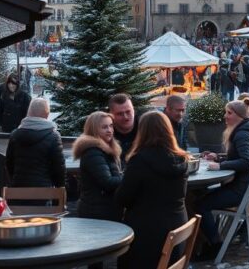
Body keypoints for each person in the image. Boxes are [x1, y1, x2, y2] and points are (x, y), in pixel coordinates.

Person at [115, 111, 189, 268]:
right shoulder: (182, 159)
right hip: (178, 227)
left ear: (142, 131)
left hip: (147, 236)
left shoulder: (139, 160)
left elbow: (123, 198)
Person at [195, 100, 249, 261]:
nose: (225, 116)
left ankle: (215, 246)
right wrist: (219, 157)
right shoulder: (247, 130)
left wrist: (219, 166)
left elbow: (245, 161)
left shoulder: (242, 134)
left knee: (200, 205)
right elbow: (240, 156)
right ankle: (209, 241)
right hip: (245, 189)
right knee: (201, 196)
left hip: (239, 191)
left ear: (239, 116)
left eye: (229, 113)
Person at [5, 98, 67, 188]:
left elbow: (9, 163)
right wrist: (60, 187)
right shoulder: (53, 136)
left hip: (18, 190)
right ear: (47, 114)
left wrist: (13, 182)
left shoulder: (15, 134)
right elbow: (59, 167)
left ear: (29, 112)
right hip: (44, 192)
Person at [74, 111, 123, 221]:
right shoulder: (93, 152)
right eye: (104, 127)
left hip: (104, 209)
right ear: (94, 130)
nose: (109, 130)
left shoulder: (106, 149)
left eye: (111, 126)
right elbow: (107, 182)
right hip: (97, 213)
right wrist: (128, 177)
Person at [109, 93, 142, 158]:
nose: (125, 117)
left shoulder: (145, 127)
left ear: (133, 110)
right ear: (111, 114)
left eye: (128, 112)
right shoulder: (106, 132)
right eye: (120, 114)